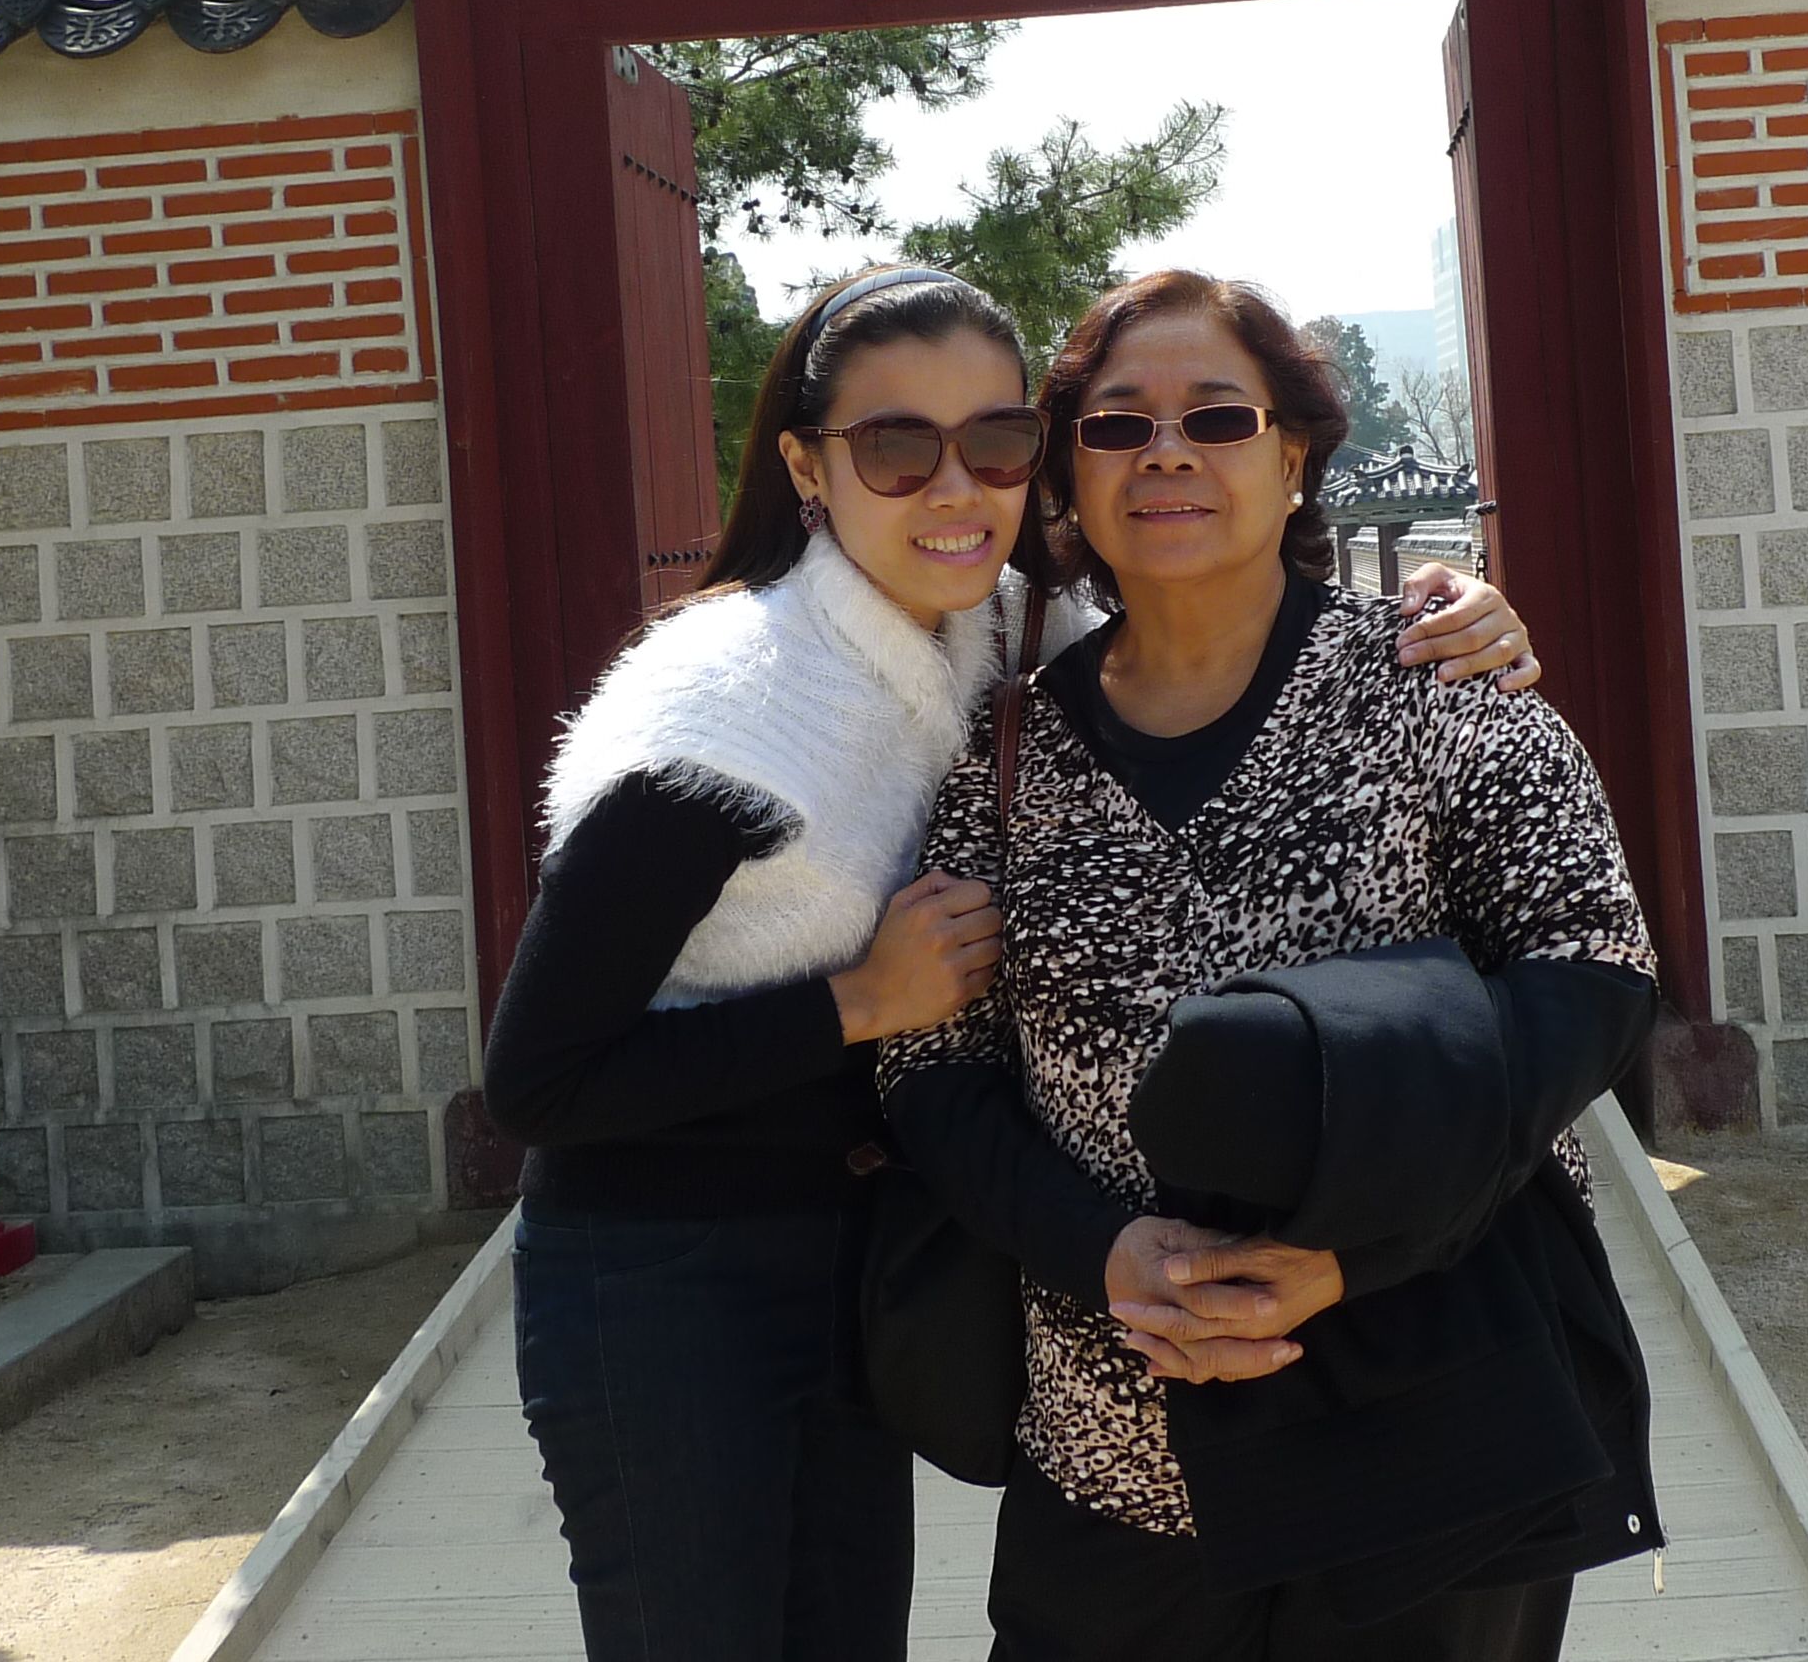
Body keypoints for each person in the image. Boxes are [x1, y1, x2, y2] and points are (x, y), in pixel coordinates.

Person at [480, 263, 1543, 1662]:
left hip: (854, 1247)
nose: (955, 490)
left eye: (994, 442)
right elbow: (536, 1080)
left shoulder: (992, 628)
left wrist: (1453, 613)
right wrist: (860, 1002)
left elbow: (1202, 631)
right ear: (806, 467)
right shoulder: (715, 718)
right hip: (664, 1272)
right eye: (895, 447)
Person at [881, 269, 1662, 1662]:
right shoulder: (1004, 759)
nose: (1166, 452)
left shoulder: (1435, 686)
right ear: (1069, 471)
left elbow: (1589, 969)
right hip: (1115, 1441)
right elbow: (937, 1072)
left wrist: (1350, 1253)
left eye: (1217, 417)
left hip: (1423, 1409)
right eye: (1118, 424)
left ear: (1294, 455)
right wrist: (1104, 1250)